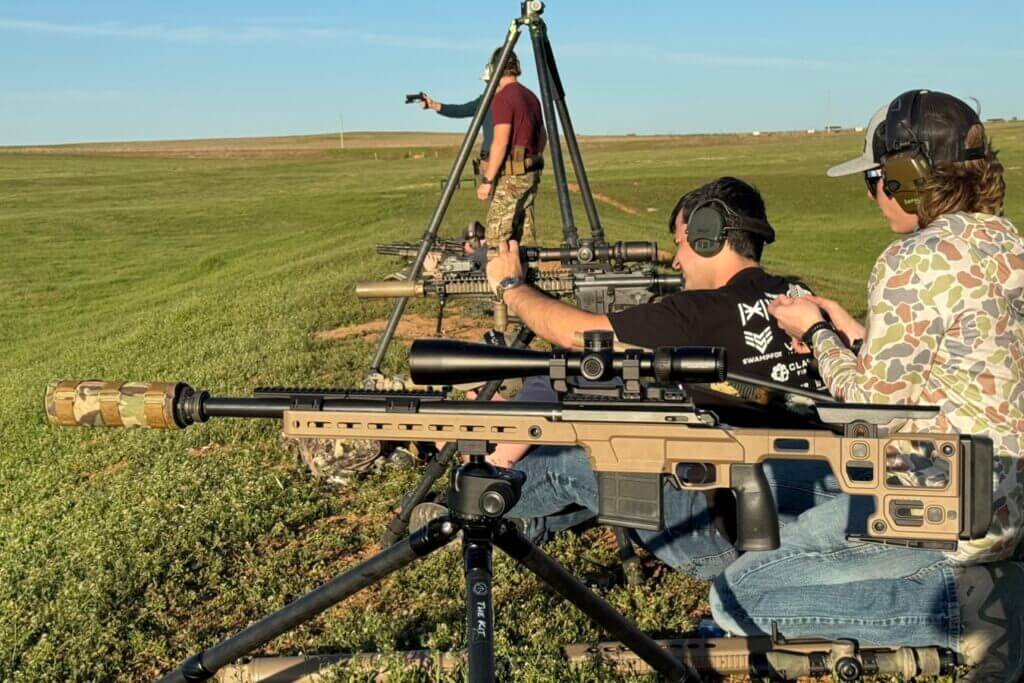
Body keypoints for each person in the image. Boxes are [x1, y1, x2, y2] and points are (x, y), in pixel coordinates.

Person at [710, 91, 1024, 681]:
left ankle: (967, 612)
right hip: (999, 494)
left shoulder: (911, 259)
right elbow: (943, 366)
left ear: (907, 178)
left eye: (876, 179)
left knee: (737, 593)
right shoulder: (1005, 242)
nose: (875, 195)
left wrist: (819, 333)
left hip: (938, 507)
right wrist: (856, 332)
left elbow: (867, 407)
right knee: (789, 522)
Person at [468, 177, 840, 578]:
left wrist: (511, 285)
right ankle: (537, 522)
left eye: (681, 243)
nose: (677, 262)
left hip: (726, 533)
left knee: (570, 463)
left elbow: (576, 336)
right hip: (816, 507)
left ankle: (476, 497)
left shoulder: (698, 313)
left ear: (706, 236)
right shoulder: (798, 296)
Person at [475, 48, 546, 245]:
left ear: (494, 70)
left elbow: (500, 142)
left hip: (511, 178)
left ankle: (503, 275)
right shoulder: (531, 97)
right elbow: (543, 136)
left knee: (496, 238)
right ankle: (527, 273)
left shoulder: (503, 98)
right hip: (531, 175)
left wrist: (487, 180)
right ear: (517, 68)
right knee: (524, 238)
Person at [418, 51, 500, 181]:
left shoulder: (495, 100)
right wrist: (433, 105)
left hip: (496, 161)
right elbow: (460, 110)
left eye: (488, 82)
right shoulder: (486, 101)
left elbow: (460, 110)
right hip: (494, 160)